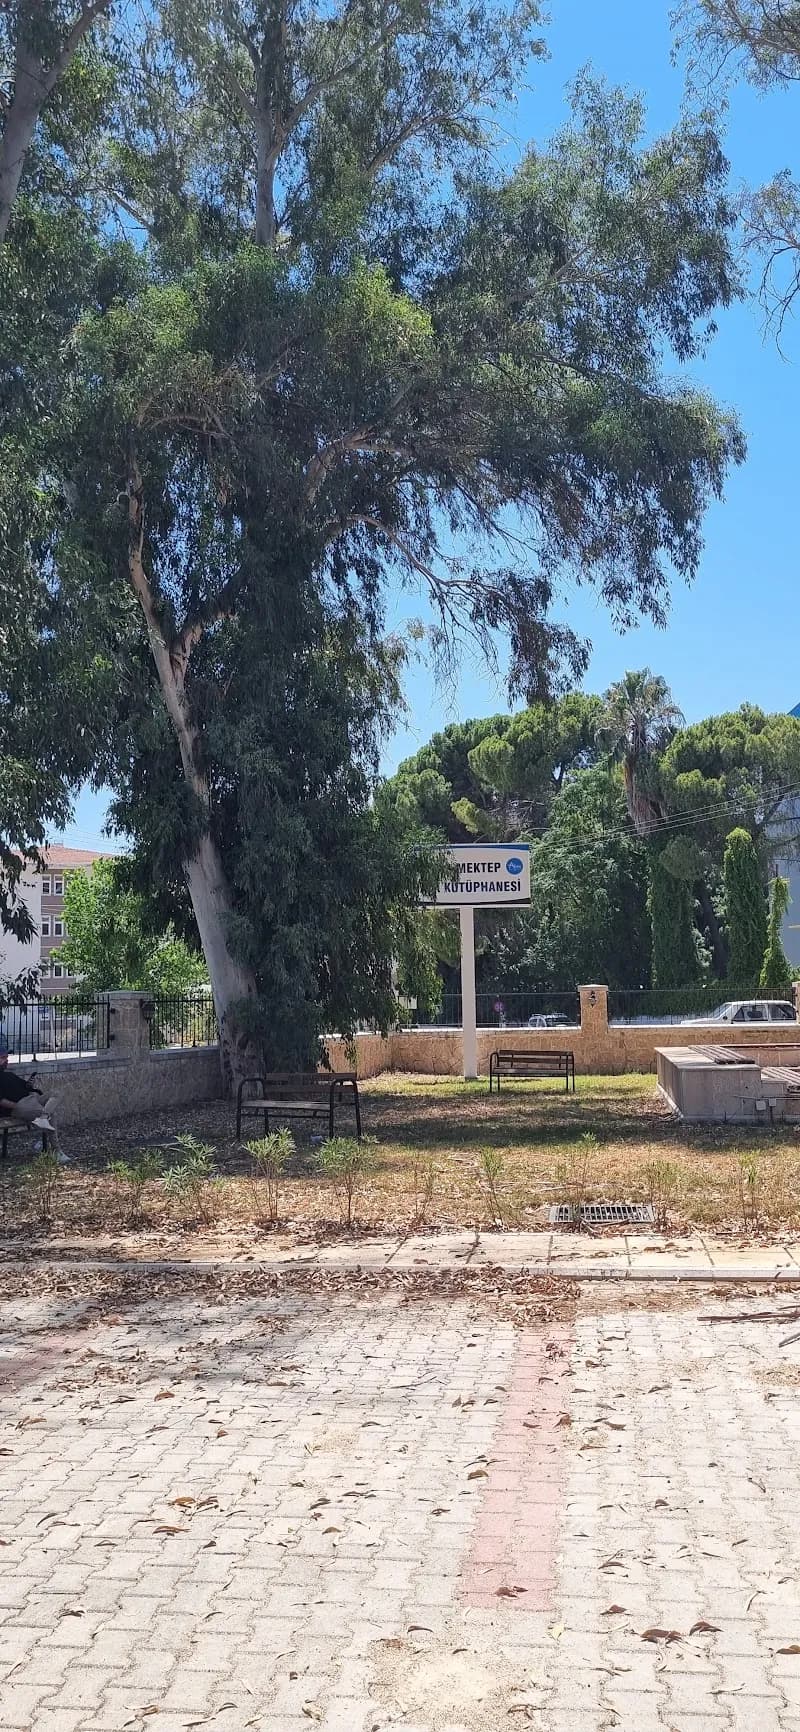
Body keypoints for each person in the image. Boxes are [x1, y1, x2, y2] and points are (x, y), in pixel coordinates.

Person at [0, 1044, 66, 1160]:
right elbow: (1, 1101)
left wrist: (29, 1084)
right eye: (3, 1058)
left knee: (57, 1093)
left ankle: (43, 1119)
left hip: (32, 1099)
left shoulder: (9, 1075)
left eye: (7, 1057)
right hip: (19, 1106)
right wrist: (18, 1106)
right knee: (51, 1115)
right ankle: (56, 1151)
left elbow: (26, 1087)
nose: (7, 1060)